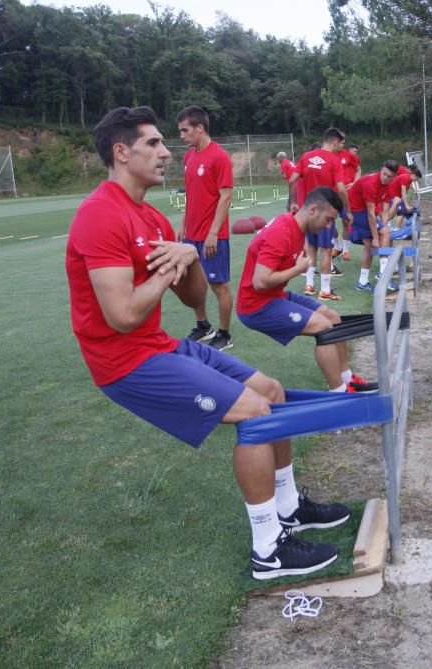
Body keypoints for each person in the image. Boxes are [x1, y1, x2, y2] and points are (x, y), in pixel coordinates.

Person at [66, 106, 346, 581]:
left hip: (156, 343)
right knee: (254, 412)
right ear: (121, 152)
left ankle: (289, 507)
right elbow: (123, 315)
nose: (164, 152)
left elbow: (192, 296)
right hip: (123, 361)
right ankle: (268, 549)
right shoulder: (99, 215)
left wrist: (188, 257)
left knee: (272, 391)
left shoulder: (152, 217)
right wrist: (173, 262)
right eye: (153, 143)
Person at [236, 185, 378, 395]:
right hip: (256, 306)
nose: (329, 226)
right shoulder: (281, 232)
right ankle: (339, 394)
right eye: (328, 219)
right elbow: (260, 282)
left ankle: (349, 379)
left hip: (275, 296)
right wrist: (297, 269)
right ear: (313, 209)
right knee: (324, 327)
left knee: (333, 317)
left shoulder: (295, 224)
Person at [176, 106, 235, 351]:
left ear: (200, 128)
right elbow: (191, 194)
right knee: (194, 284)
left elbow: (225, 198)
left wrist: (212, 232)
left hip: (213, 235)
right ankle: (203, 326)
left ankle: (224, 334)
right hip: (191, 234)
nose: (181, 135)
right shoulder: (189, 157)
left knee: (218, 285)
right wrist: (183, 224)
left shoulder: (219, 157)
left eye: (185, 130)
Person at [288, 128, 353, 302]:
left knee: (311, 249)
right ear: (334, 142)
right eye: (341, 143)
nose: (342, 147)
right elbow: (340, 188)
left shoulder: (306, 157)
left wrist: (293, 202)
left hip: (308, 212)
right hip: (325, 214)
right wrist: (346, 210)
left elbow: (292, 179)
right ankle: (325, 290)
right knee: (325, 251)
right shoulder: (334, 161)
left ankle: (309, 285)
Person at [348, 161, 397, 292]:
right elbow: (370, 214)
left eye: (389, 176)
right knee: (384, 235)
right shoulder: (371, 184)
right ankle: (383, 274)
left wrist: (384, 225)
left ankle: (362, 282)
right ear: (381, 170)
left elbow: (385, 209)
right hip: (356, 209)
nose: (385, 177)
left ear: (393, 177)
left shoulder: (388, 184)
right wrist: (377, 236)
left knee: (370, 244)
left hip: (365, 209)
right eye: (384, 174)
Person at [337, 144, 361, 261]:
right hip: (334, 192)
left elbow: (358, 170)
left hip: (347, 193)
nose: (340, 144)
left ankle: (345, 251)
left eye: (342, 142)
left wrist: (355, 182)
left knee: (346, 221)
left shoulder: (350, 157)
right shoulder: (332, 155)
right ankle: (337, 246)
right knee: (327, 221)